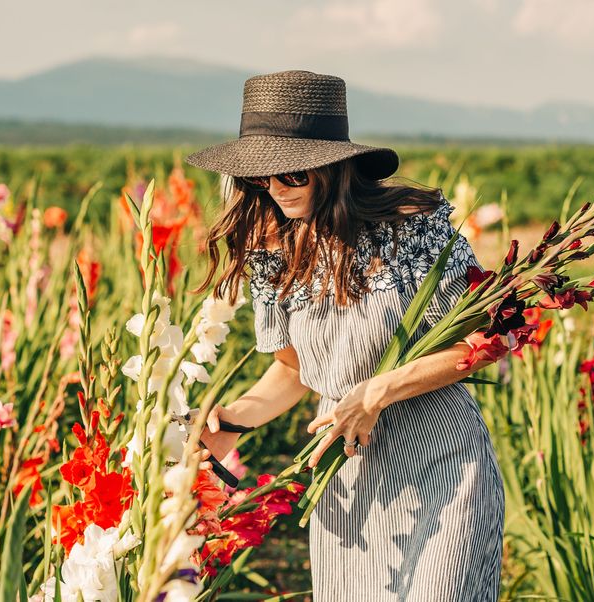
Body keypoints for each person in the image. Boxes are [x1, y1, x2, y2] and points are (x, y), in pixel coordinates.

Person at [185, 70, 507, 601]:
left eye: (290, 175)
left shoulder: (414, 228)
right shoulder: (272, 252)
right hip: (346, 481)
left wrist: (376, 392)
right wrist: (233, 419)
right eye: (261, 178)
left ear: (332, 168)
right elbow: (293, 371)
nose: (274, 189)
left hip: (442, 467)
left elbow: (481, 341)